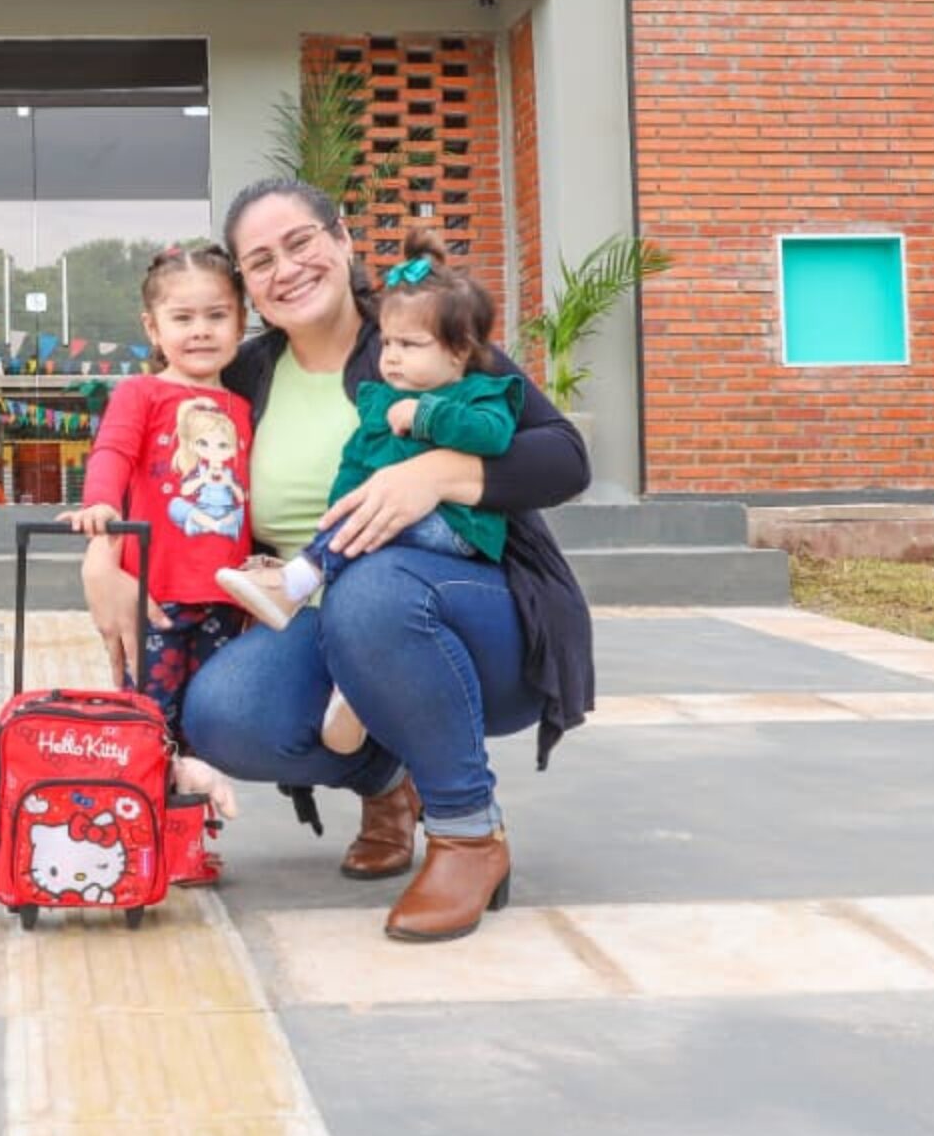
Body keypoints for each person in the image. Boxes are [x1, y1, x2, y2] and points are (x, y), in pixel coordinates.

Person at [81, 179, 595, 943]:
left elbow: (565, 457)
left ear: (342, 238)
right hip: (322, 617)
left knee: (374, 590)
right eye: (260, 262)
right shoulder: (244, 376)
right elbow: (156, 473)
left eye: (299, 243)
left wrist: (436, 474)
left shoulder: (415, 334)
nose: (285, 269)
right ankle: (387, 776)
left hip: (469, 612)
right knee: (221, 711)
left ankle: (467, 833)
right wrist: (107, 557)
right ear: (247, 288)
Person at [215, 232, 522, 762]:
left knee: (374, 572)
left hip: (452, 536)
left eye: (410, 346)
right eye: (388, 344)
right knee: (360, 557)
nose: (393, 358)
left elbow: (500, 437)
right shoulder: (369, 396)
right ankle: (356, 701)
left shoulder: (477, 389)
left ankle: (299, 579)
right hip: (369, 568)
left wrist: (427, 418)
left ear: (459, 351)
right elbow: (355, 464)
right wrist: (338, 516)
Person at [60, 242, 252, 817]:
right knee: (148, 716)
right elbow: (112, 453)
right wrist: (99, 506)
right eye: (183, 317)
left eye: (217, 316)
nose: (200, 331)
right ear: (153, 326)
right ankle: (137, 829)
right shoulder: (140, 392)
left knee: (203, 726)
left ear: (241, 320)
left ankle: (190, 836)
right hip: (155, 596)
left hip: (225, 597)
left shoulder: (243, 406)